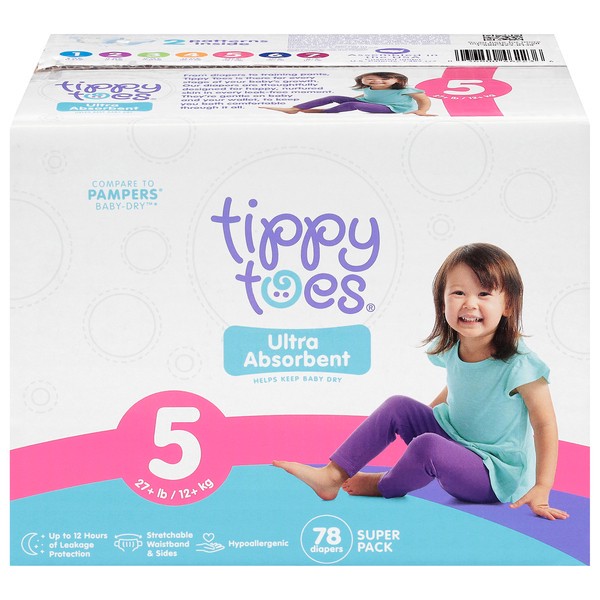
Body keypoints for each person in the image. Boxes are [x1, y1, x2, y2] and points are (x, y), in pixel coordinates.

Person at [274, 243, 569, 520]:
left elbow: (544, 424)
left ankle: (385, 484)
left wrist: (542, 485)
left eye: (484, 294)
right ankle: (332, 476)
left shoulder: (520, 364)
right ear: (442, 302)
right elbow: (461, 388)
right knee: (398, 406)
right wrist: (418, 423)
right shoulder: (454, 347)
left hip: (492, 476)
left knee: (428, 445)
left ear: (508, 305)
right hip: (455, 443)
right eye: (458, 293)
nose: (470, 303)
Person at [260, 72, 434, 115]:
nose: (377, 82)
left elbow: (423, 100)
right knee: (333, 97)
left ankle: (323, 113)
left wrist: (421, 111)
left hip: (394, 108)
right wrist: (357, 98)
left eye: (384, 79)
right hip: (371, 103)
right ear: (363, 80)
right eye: (370, 79)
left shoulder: (405, 90)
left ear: (397, 80)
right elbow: (369, 97)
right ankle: (294, 108)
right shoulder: (367, 89)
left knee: (352, 105)